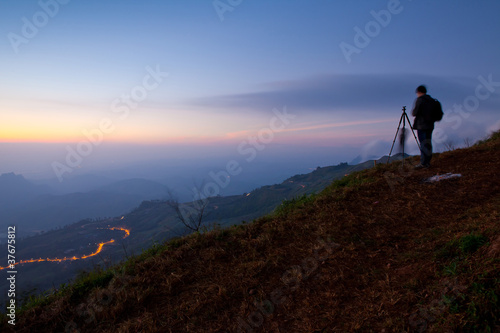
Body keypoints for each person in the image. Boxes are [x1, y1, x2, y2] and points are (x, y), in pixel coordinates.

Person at [411, 85, 436, 168]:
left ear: (419, 92)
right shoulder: (431, 100)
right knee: (428, 143)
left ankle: (423, 163)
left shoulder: (420, 100)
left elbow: (414, 112)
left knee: (423, 144)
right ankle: (427, 161)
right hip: (430, 125)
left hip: (422, 125)